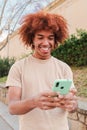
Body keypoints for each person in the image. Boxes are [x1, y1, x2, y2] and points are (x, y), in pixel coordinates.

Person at [6, 11, 78, 130]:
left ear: (55, 41)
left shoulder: (64, 68)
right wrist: (34, 102)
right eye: (40, 37)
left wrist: (72, 104)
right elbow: (12, 108)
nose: (46, 43)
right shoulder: (18, 67)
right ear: (32, 40)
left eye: (50, 38)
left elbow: (73, 105)